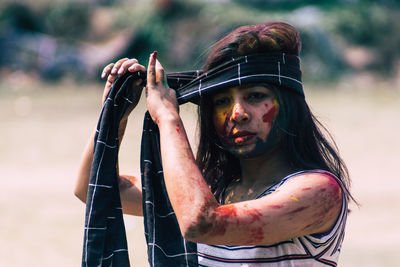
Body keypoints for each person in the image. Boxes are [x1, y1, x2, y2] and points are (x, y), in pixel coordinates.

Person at [75, 22, 353, 266]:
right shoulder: (210, 189)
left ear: (290, 107)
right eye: (222, 102)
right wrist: (116, 115)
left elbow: (202, 223)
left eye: (255, 96)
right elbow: (93, 188)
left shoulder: (319, 192)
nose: (238, 113)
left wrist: (168, 118)